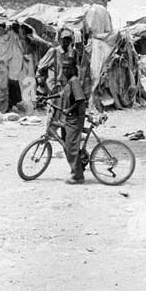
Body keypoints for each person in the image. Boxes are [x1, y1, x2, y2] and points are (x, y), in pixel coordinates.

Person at [38, 29, 88, 184]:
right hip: (58, 91)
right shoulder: (53, 52)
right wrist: (44, 87)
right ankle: (76, 163)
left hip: (70, 95)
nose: (66, 42)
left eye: (68, 39)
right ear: (59, 39)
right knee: (60, 128)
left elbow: (81, 74)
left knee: (70, 138)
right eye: (64, 39)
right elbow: (41, 67)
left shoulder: (74, 54)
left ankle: (77, 170)